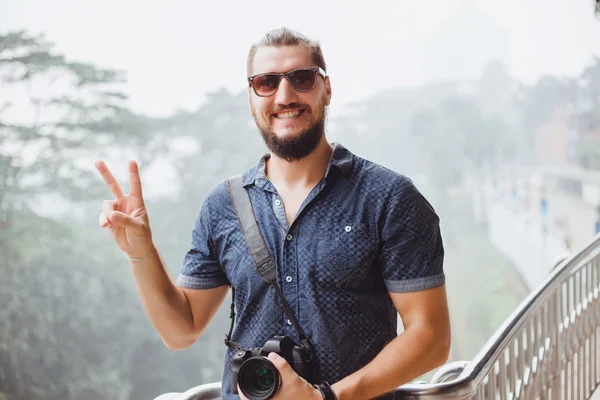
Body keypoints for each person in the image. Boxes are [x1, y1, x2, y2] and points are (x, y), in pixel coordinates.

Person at [95, 27, 451, 400]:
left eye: (301, 78)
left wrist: (327, 397)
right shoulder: (222, 206)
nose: (285, 96)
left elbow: (431, 337)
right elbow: (180, 330)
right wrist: (140, 251)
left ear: (326, 88)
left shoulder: (388, 198)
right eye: (266, 82)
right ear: (251, 98)